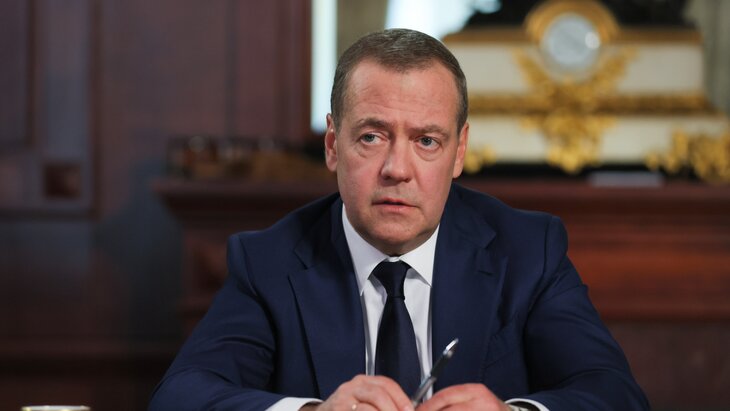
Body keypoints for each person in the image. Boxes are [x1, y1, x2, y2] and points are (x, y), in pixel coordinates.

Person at [149, 28, 649, 411]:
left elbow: (614, 393)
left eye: (427, 141)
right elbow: (180, 397)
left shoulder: (527, 250)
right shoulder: (269, 261)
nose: (397, 169)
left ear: (459, 152)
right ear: (333, 145)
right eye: (372, 136)